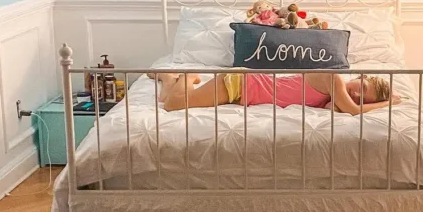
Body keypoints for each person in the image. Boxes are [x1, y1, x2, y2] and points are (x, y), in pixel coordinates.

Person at [155, 71, 398, 115]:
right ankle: (187, 76)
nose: (357, 96)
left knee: (168, 99)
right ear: (360, 77)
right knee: (172, 107)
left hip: (246, 92)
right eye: (362, 89)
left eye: (364, 98)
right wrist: (387, 104)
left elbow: (337, 109)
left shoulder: (333, 97)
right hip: (243, 84)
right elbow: (353, 110)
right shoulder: (333, 78)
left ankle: (169, 80)